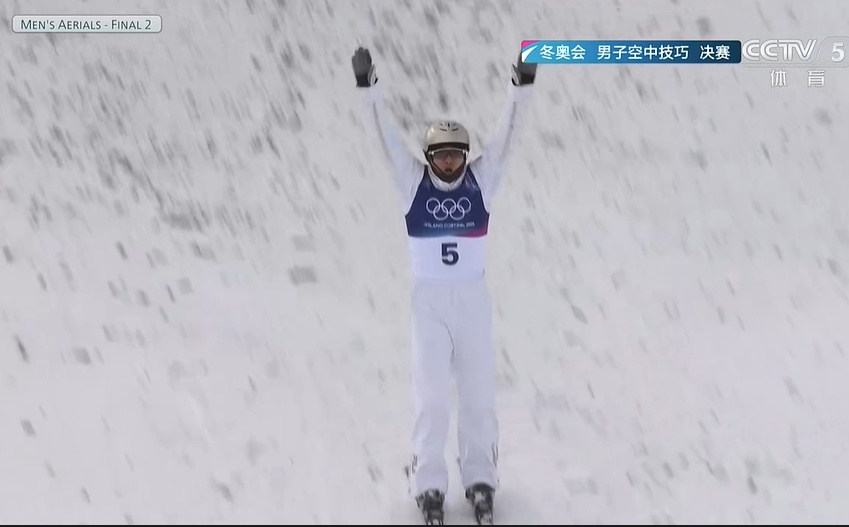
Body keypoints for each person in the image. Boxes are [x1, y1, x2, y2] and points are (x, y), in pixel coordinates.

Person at [351, 45, 536, 523]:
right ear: (429, 157)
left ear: (465, 157)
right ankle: (429, 486)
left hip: (472, 299)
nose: (450, 165)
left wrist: (521, 89)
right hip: (429, 303)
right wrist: (369, 90)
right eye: (442, 157)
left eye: (456, 156)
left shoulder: (482, 182)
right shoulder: (413, 184)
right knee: (430, 395)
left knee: (478, 394)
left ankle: (480, 481)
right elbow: (384, 138)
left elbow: (508, 138)